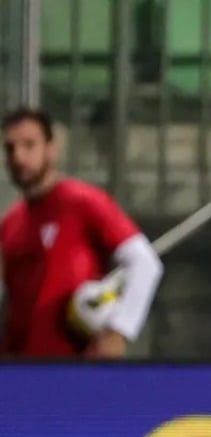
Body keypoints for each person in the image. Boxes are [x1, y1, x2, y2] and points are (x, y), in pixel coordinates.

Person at [1, 107, 164, 358]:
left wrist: (118, 331)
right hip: (19, 372)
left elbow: (145, 264)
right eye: (10, 149)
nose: (19, 157)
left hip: (74, 371)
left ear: (51, 148)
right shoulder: (10, 224)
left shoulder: (82, 202)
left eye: (29, 145)